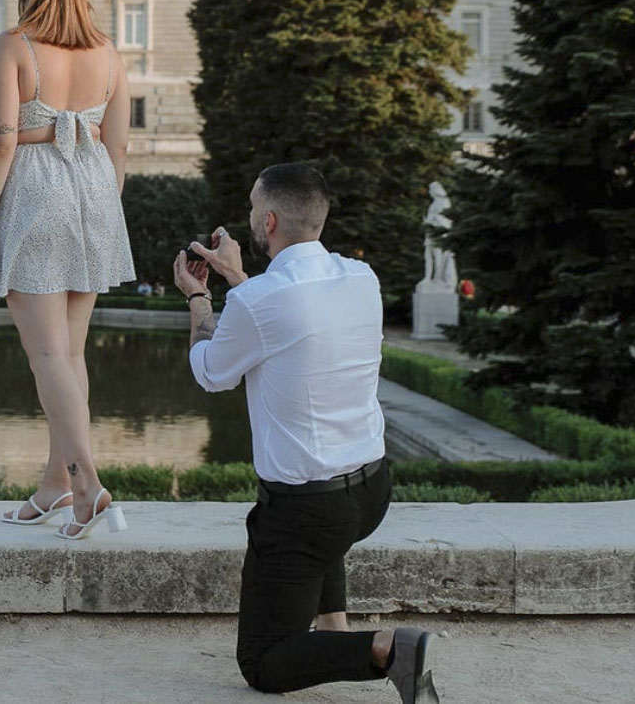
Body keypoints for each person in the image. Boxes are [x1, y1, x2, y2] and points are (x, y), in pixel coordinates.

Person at [177, 163, 440, 703]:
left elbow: (210, 372)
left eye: (253, 208)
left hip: (304, 513)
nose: (251, 216)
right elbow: (288, 316)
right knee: (323, 502)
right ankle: (336, 628)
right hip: (371, 490)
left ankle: (392, 649)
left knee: (264, 663)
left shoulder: (257, 302)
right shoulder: (360, 278)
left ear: (268, 221)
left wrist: (198, 298)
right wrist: (237, 280)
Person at [0, 0, 135, 541]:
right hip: (93, 191)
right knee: (69, 353)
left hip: (36, 191)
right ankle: (56, 484)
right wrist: (98, 202)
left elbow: (0, 140)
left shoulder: (13, 46)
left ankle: (88, 484)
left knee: (46, 355)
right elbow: (118, 148)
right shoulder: (110, 53)